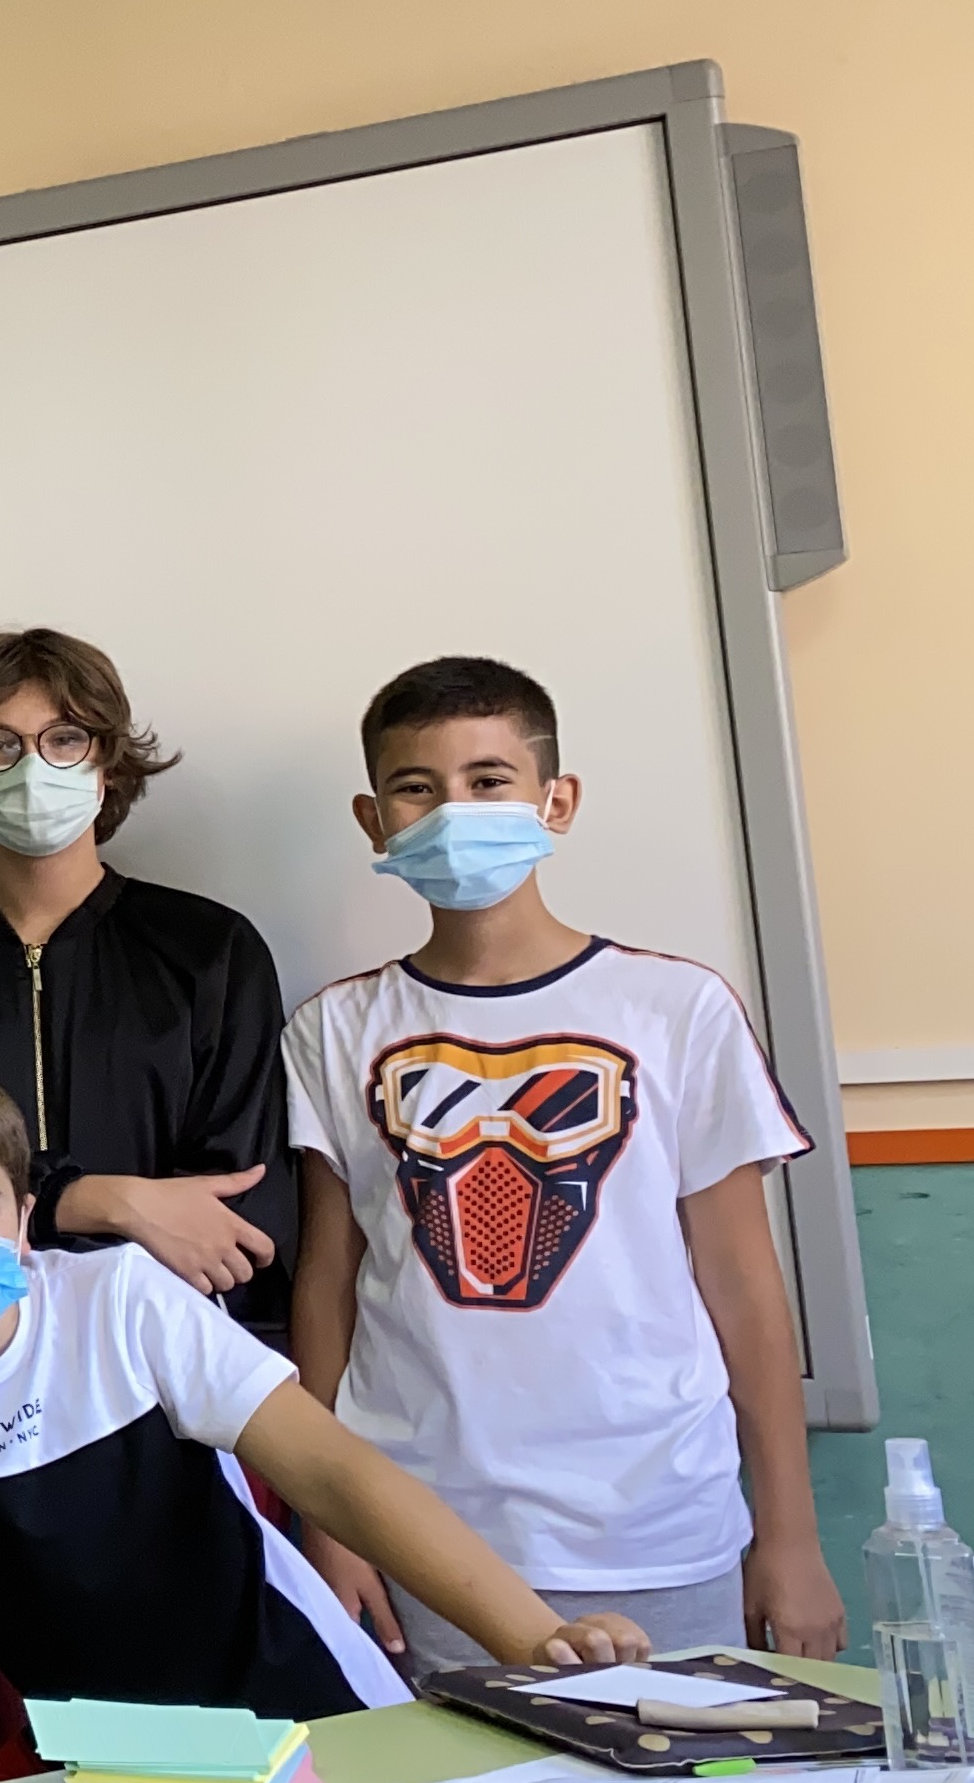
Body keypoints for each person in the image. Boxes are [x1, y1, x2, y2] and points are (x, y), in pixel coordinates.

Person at [0, 1049, 650, 1783]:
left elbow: (336, 1472)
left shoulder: (120, 1300)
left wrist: (538, 1639)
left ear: (22, 1220)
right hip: (94, 1746)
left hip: (286, 1714)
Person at [284, 656, 846, 1671]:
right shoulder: (334, 1029)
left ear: (557, 800)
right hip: (420, 1534)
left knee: (683, 1771)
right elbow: (328, 1284)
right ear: (374, 821)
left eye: (488, 780)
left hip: (658, 1525)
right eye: (417, 788)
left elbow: (743, 1283)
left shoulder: (677, 1010)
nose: (454, 812)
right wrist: (331, 1523)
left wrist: (791, 1537)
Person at [0, 629, 295, 1333]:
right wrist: (103, 1202)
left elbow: (234, 1199)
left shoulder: (211, 950)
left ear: (106, 762)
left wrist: (34, 1209)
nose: (32, 767)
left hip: (168, 1346)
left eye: (65, 739)